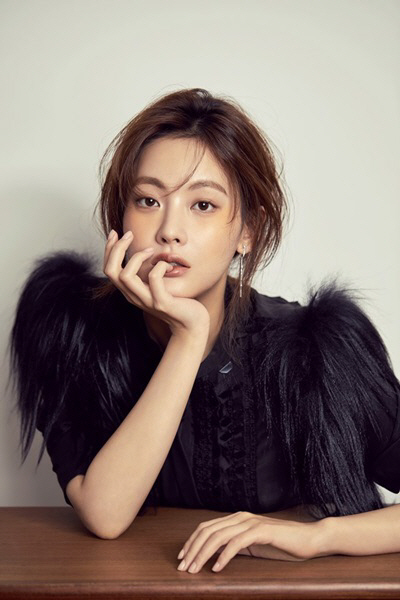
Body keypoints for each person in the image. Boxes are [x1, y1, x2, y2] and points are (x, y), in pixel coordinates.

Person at [9, 88, 400, 574]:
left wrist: (317, 537)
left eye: (203, 205)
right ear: (120, 219)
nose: (169, 230)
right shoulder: (74, 333)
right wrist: (188, 339)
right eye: (148, 200)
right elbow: (105, 514)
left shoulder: (318, 347)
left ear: (248, 230)